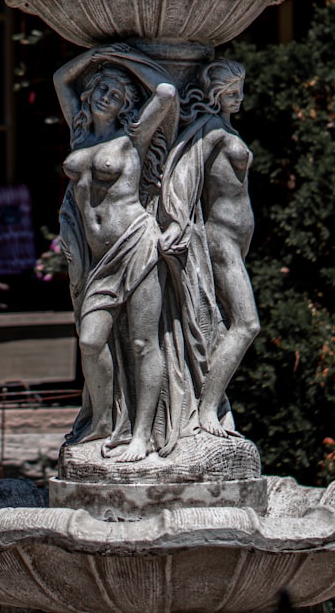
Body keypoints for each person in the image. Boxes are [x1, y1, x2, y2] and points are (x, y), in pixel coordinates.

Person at [54, 43, 177, 462]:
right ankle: (103, 421)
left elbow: (166, 93)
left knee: (145, 341)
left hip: (136, 244)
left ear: (127, 104)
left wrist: (124, 60)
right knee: (91, 341)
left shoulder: (133, 137)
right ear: (91, 93)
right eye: (103, 87)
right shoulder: (80, 132)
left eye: (119, 93)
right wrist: (93, 58)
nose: (109, 95)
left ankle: (142, 434)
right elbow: (60, 80)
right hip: (97, 261)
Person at [160, 59, 259, 437]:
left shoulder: (224, 128)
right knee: (246, 324)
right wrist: (178, 222)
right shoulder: (212, 130)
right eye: (230, 93)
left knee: (218, 325)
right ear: (215, 95)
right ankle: (204, 410)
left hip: (235, 240)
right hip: (219, 239)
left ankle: (215, 405)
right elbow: (182, 172)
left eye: (240, 91)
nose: (238, 99)